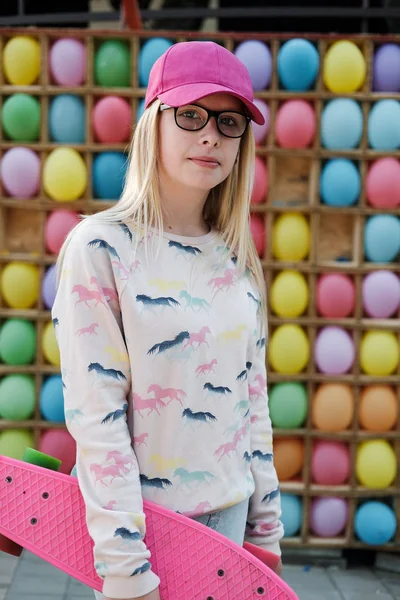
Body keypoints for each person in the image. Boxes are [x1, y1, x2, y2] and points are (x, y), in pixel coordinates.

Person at [52, 41, 283, 600]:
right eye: (191, 114)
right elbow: (97, 420)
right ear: (154, 122)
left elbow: (250, 405)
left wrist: (267, 536)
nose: (210, 135)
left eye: (229, 122)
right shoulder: (101, 248)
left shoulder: (237, 260)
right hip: (146, 534)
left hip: (229, 526)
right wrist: (127, 572)